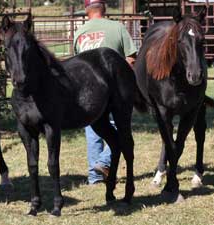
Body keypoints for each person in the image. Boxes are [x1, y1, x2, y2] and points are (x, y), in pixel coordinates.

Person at [73, 0, 137, 184]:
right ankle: (103, 162)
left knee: (93, 129)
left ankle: (95, 177)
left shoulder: (79, 32)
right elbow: (131, 59)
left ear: (87, 11)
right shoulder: (117, 28)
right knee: (118, 126)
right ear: (104, 8)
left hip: (86, 90)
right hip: (113, 87)